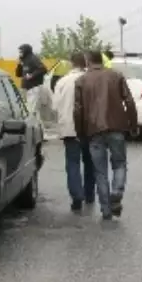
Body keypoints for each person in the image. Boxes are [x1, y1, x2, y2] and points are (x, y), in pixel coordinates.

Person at [74, 50, 138, 221]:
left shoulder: (81, 80)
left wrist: (80, 132)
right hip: (117, 127)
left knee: (100, 171)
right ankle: (116, 192)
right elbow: (129, 101)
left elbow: (78, 109)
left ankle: (106, 209)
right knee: (119, 164)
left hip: (94, 131)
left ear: (87, 61)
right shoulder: (116, 76)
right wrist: (133, 124)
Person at [51, 52, 95, 212]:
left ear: (71, 63)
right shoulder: (91, 80)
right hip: (90, 129)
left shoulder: (62, 82)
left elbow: (55, 107)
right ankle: (90, 195)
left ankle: (77, 197)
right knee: (90, 163)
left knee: (72, 163)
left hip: (69, 129)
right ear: (86, 63)